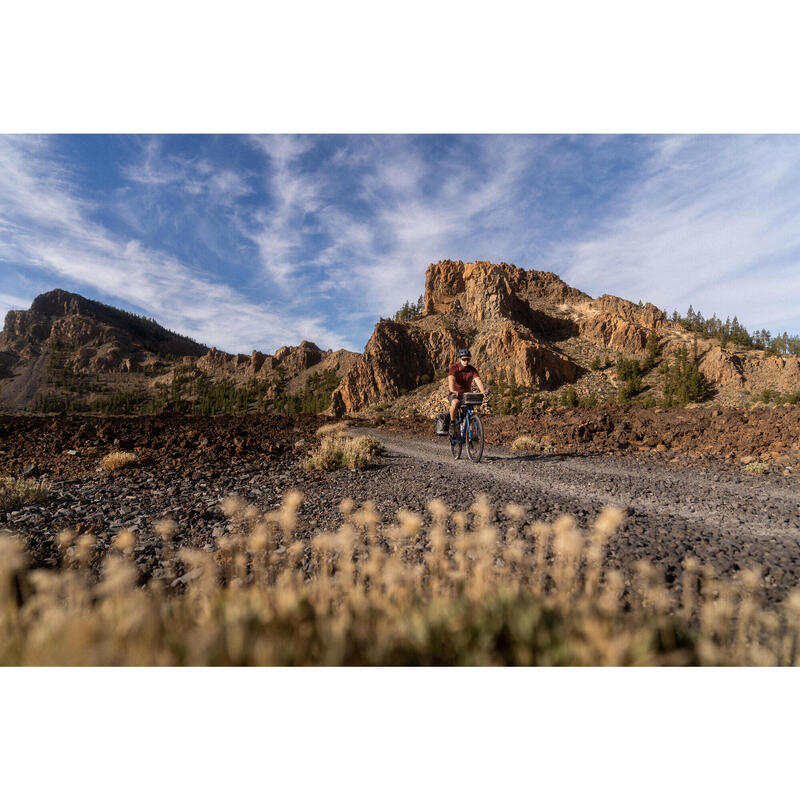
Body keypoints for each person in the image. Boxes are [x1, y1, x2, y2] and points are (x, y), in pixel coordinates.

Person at [447, 348, 487, 437]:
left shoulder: (472, 369)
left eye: (468, 359)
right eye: (463, 359)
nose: (466, 361)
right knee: (455, 402)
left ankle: (470, 440)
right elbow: (451, 380)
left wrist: (483, 391)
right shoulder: (454, 368)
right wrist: (452, 390)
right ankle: (452, 423)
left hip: (467, 395)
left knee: (470, 414)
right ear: (460, 359)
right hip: (455, 394)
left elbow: (478, 380)